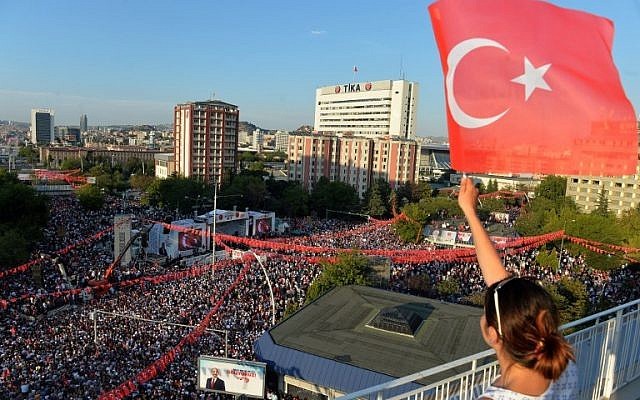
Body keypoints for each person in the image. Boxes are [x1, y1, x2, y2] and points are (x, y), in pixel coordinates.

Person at [457, 177, 578, 399]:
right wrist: (470, 213)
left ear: (492, 335)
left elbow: (500, 286)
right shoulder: (562, 368)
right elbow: (499, 283)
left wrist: (471, 213)